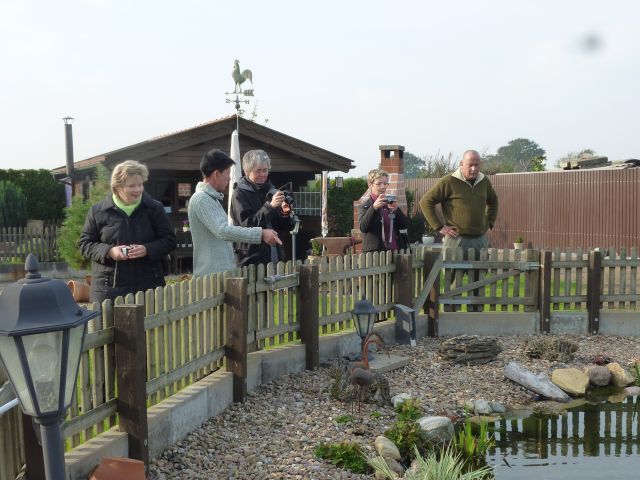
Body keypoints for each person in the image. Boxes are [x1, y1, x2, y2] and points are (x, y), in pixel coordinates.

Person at [78, 160, 177, 302]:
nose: (138, 189)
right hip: (108, 290)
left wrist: (147, 249)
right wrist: (109, 251)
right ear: (117, 187)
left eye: (140, 184)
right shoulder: (98, 211)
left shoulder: (155, 208)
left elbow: (170, 240)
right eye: (132, 186)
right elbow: (84, 244)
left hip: (148, 287)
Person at [188, 149, 281, 277]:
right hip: (211, 277)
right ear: (216, 174)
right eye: (227, 173)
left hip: (218, 275)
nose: (229, 177)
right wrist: (260, 233)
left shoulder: (211, 199)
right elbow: (223, 231)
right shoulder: (201, 199)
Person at [419, 149, 498, 252]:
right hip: (456, 240)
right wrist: (439, 227)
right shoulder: (449, 181)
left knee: (481, 263)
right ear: (461, 164)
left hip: (479, 240)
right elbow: (425, 201)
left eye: (476, 165)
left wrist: (489, 222)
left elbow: (493, 201)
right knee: (453, 263)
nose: (474, 169)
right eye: (470, 165)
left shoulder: (484, 181)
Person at [229, 149, 296, 267]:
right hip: (250, 260)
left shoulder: (272, 190)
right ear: (247, 171)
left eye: (265, 170)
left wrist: (285, 213)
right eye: (258, 171)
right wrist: (270, 207)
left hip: (275, 257)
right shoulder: (239, 194)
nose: (262, 174)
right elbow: (247, 225)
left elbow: (286, 228)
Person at [358, 168, 409, 253]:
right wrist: (374, 208)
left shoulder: (390, 202)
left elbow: (404, 226)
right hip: (374, 254)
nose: (383, 186)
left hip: (394, 251)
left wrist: (396, 210)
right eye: (379, 183)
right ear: (370, 185)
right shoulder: (365, 206)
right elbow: (363, 228)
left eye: (385, 183)